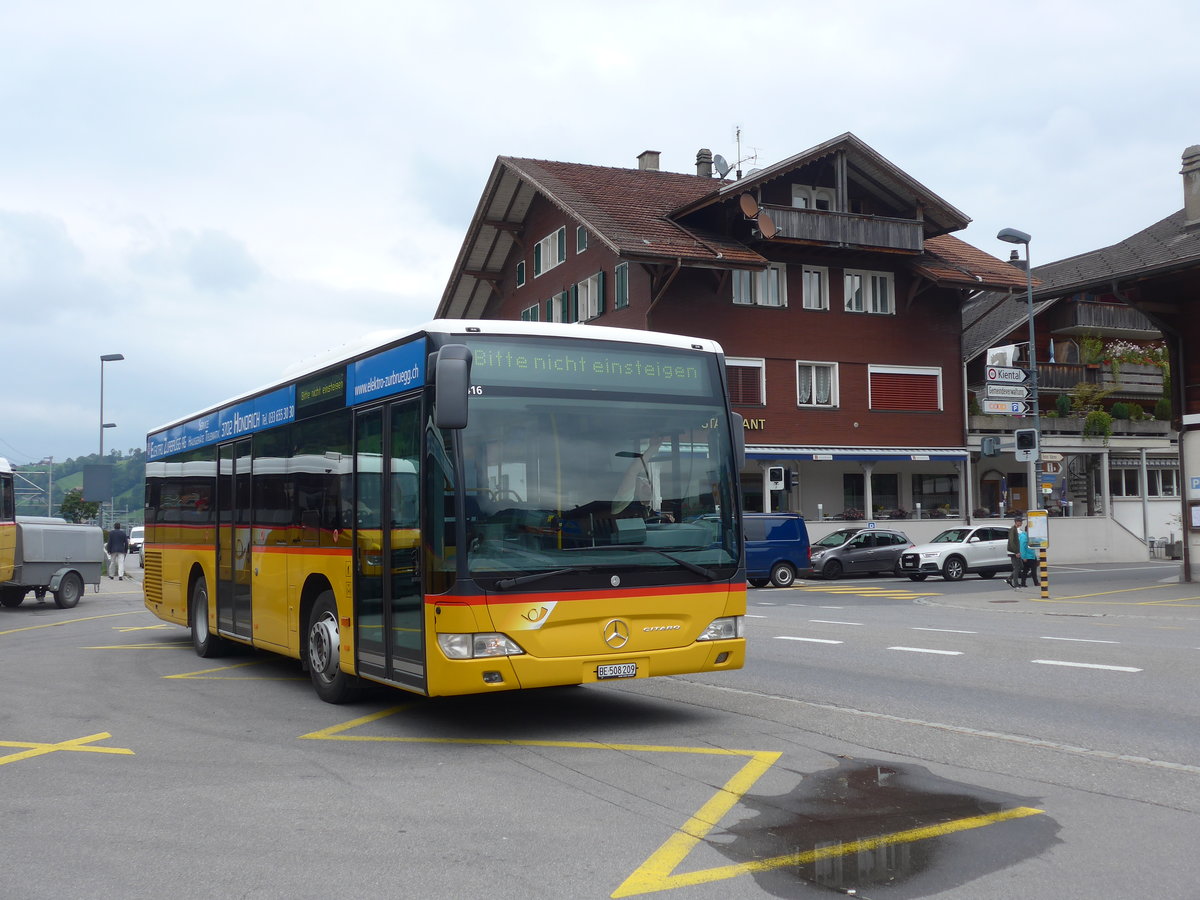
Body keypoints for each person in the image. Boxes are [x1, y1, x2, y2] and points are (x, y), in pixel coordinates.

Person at [1017, 521, 1040, 588]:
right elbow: (1022, 547)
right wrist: (1023, 557)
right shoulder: (1024, 537)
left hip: (1031, 555)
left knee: (1025, 570)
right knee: (1033, 570)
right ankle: (1036, 582)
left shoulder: (1026, 536)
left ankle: (1023, 583)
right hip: (1028, 556)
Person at [1005, 512, 1023, 588]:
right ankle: (1015, 584)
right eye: (1020, 521)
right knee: (1017, 567)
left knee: (1020, 566)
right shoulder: (1013, 529)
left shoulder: (1015, 529)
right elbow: (1012, 541)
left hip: (1015, 551)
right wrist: (1016, 552)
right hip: (1013, 551)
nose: (1021, 523)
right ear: (1017, 522)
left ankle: (1009, 578)